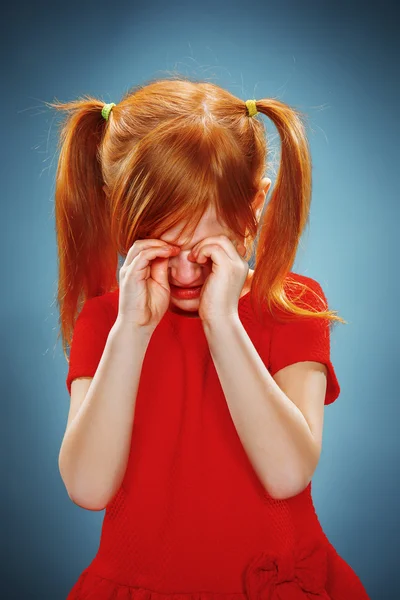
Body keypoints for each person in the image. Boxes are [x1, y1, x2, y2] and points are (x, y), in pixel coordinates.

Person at [50, 77, 370, 599]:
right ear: (117, 216)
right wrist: (130, 334)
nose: (180, 273)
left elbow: (288, 472)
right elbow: (87, 487)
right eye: (156, 247)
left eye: (202, 249)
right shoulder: (107, 322)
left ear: (254, 205)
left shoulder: (290, 305)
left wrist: (224, 323)